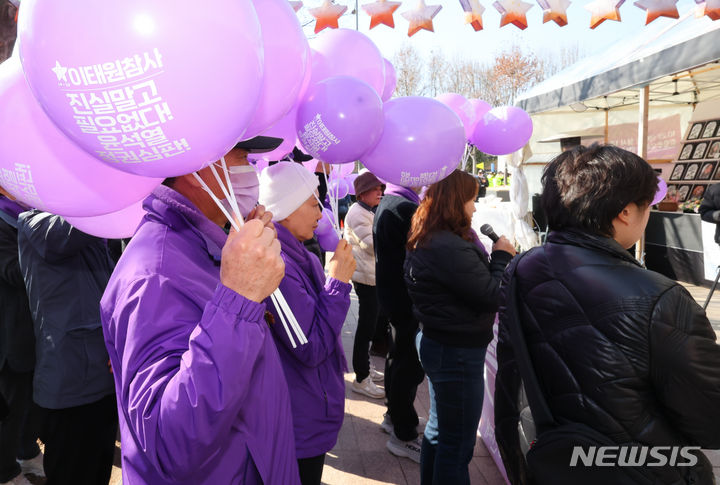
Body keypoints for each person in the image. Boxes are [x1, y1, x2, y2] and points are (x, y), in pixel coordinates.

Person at [495, 144, 720, 484]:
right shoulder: (660, 297)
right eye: (648, 207)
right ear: (626, 212)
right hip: (642, 470)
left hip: (551, 457)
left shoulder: (523, 266)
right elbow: (712, 418)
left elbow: (510, 377)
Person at [100, 137, 301, 484]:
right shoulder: (153, 274)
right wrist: (239, 299)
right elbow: (169, 441)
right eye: (242, 159)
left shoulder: (198, 246)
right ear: (196, 167)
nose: (251, 173)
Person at [404, 170, 515, 485]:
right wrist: (502, 258)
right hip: (455, 350)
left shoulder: (432, 234)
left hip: (441, 341)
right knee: (457, 444)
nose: (476, 207)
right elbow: (491, 295)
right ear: (456, 201)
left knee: (441, 432)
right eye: (472, 200)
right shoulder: (447, 245)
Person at [258, 162, 354, 485]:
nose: (321, 214)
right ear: (285, 208)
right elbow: (310, 346)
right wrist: (338, 284)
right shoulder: (277, 264)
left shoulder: (302, 255)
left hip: (311, 408)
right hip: (298, 419)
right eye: (314, 203)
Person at [17, 210, 117, 485]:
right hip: (71, 386)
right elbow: (66, 234)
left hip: (103, 380)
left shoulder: (90, 229)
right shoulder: (34, 222)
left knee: (97, 472)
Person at [373, 182, 425, 462]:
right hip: (404, 297)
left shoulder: (390, 201)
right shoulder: (404, 207)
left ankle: (394, 417)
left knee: (398, 357)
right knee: (408, 364)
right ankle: (404, 434)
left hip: (393, 295)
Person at [0, 191, 42, 485]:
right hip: (9, 334)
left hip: (32, 329)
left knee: (29, 399)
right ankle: (6, 471)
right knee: (10, 409)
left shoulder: (25, 212)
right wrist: (46, 248)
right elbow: (11, 271)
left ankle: (27, 453)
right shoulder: (4, 219)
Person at [344, 171, 386, 399]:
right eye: (375, 189)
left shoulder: (367, 210)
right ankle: (361, 378)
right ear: (362, 193)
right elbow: (372, 245)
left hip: (371, 276)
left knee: (370, 325)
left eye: (381, 188)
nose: (380, 192)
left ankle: (366, 368)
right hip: (366, 278)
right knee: (366, 328)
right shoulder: (358, 213)